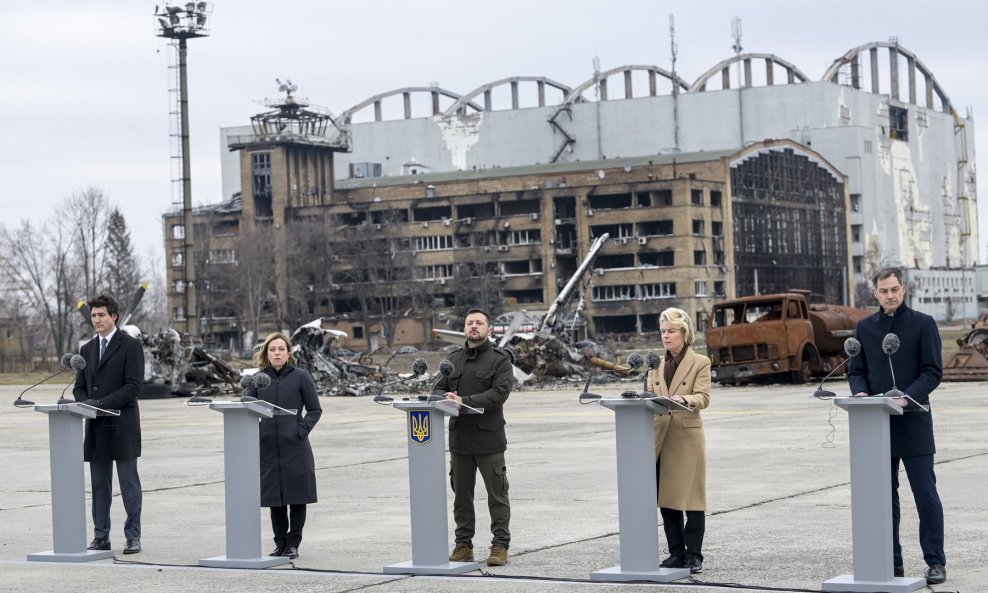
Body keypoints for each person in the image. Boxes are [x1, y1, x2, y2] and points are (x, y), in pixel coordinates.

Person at [847, 266, 946, 585]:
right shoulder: (864, 328)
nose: (890, 295)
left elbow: (932, 371)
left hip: (913, 421)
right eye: (883, 290)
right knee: (883, 498)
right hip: (876, 425)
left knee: (925, 495)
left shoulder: (923, 324)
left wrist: (906, 397)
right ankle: (891, 563)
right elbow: (855, 369)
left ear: (904, 290)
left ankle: (935, 561)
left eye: (895, 289)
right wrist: (860, 392)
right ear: (874, 293)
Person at [434, 308, 514, 566]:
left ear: (489, 329)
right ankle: (463, 545)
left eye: (479, 322)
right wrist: (443, 397)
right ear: (465, 329)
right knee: (461, 498)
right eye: (470, 323)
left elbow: (499, 393)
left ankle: (500, 546)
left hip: (489, 441)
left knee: (497, 496)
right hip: (460, 441)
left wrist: (463, 400)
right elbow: (437, 389)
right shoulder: (453, 360)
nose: (474, 326)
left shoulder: (499, 360)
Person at [73, 293, 145, 555]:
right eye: (93, 315)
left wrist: (100, 403)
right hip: (95, 427)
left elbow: (134, 386)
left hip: (122, 425)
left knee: (129, 485)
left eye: (101, 314)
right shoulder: (86, 350)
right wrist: (85, 403)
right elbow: (79, 388)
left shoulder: (130, 345)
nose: (96, 319)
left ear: (114, 316)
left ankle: (133, 537)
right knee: (100, 487)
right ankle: (101, 536)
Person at [647, 307, 712, 574]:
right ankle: (676, 553)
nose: (665, 336)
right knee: (667, 498)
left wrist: (686, 399)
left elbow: (704, 398)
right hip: (661, 437)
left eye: (671, 331)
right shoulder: (656, 364)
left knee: (692, 499)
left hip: (686, 437)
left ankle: (694, 554)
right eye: (663, 331)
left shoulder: (700, 362)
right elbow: (649, 394)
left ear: (684, 333)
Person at [252, 332, 322, 560]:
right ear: (267, 354)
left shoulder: (301, 377)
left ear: (289, 353)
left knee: (296, 496)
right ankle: (279, 543)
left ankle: (293, 543)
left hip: (295, 447)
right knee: (276, 499)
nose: (277, 353)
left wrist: (299, 430)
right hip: (269, 449)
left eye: (281, 349)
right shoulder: (259, 379)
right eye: (272, 349)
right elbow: (247, 409)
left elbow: (315, 410)